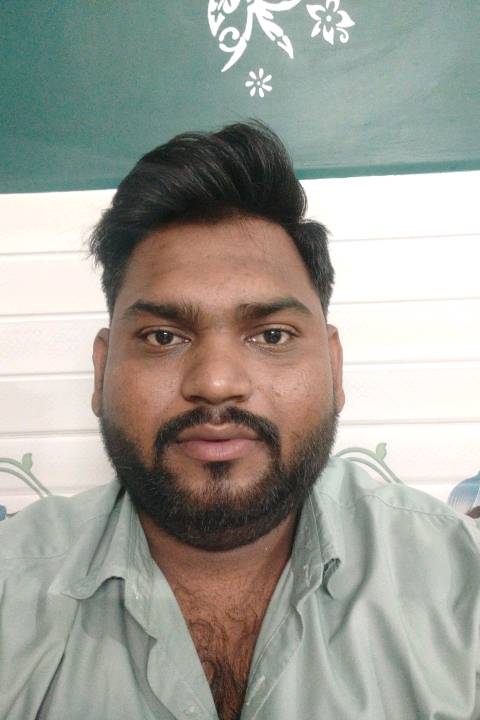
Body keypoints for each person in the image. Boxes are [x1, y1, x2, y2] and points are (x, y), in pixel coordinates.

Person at [0, 122, 479, 720]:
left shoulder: (461, 583)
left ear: (334, 366)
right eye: (163, 336)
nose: (216, 382)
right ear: (101, 371)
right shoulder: (12, 591)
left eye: (271, 335)